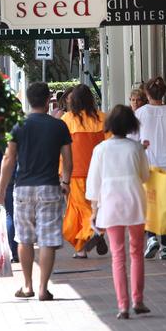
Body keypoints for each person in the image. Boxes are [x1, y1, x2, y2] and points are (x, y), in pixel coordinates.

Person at [0, 82, 73, 301]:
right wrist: (65, 183)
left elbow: (9, 159)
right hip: (49, 186)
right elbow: (67, 160)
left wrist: (0, 190)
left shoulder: (18, 125)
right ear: (49, 100)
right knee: (48, 239)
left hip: (23, 188)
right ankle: (42, 288)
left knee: (24, 239)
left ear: (29, 100)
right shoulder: (59, 126)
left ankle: (27, 285)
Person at [86, 105, 151, 319]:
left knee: (118, 256)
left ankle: (123, 305)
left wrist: (94, 211)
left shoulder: (101, 149)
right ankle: (138, 300)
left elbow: (94, 184)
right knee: (136, 253)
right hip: (134, 202)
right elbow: (144, 176)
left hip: (111, 203)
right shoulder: (136, 148)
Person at [134, 76, 166, 260]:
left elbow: (134, 138)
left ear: (146, 93)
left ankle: (151, 237)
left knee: (149, 203)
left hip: (148, 164)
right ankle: (165, 246)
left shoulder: (140, 113)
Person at [61, 84, 108, 258]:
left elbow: (61, 150)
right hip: (99, 172)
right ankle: (81, 249)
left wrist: (61, 173)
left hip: (75, 172)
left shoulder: (67, 119)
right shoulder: (103, 118)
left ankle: (95, 231)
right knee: (89, 207)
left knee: (78, 209)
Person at [0, 150, 18, 262]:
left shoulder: (2, 136)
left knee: (10, 214)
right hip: (28, 178)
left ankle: (15, 253)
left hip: (9, 178)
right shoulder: (28, 132)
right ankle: (24, 248)